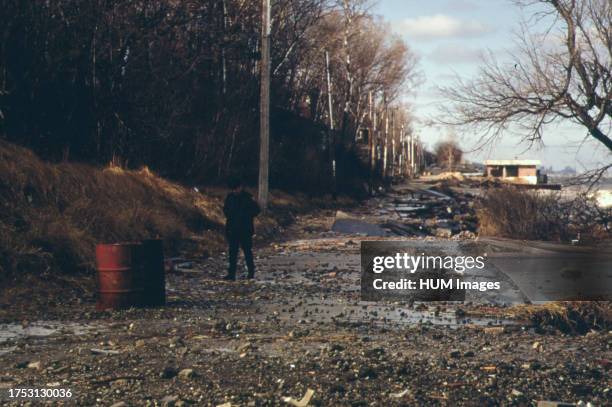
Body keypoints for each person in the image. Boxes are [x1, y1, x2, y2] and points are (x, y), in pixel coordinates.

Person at [223, 177, 260, 280]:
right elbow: (225, 210)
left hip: (245, 229)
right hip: (233, 229)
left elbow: (257, 210)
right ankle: (231, 274)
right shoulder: (230, 197)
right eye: (233, 189)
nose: (235, 191)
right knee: (232, 253)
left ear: (240, 187)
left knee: (247, 251)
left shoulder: (248, 197)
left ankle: (251, 272)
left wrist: (246, 216)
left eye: (236, 188)